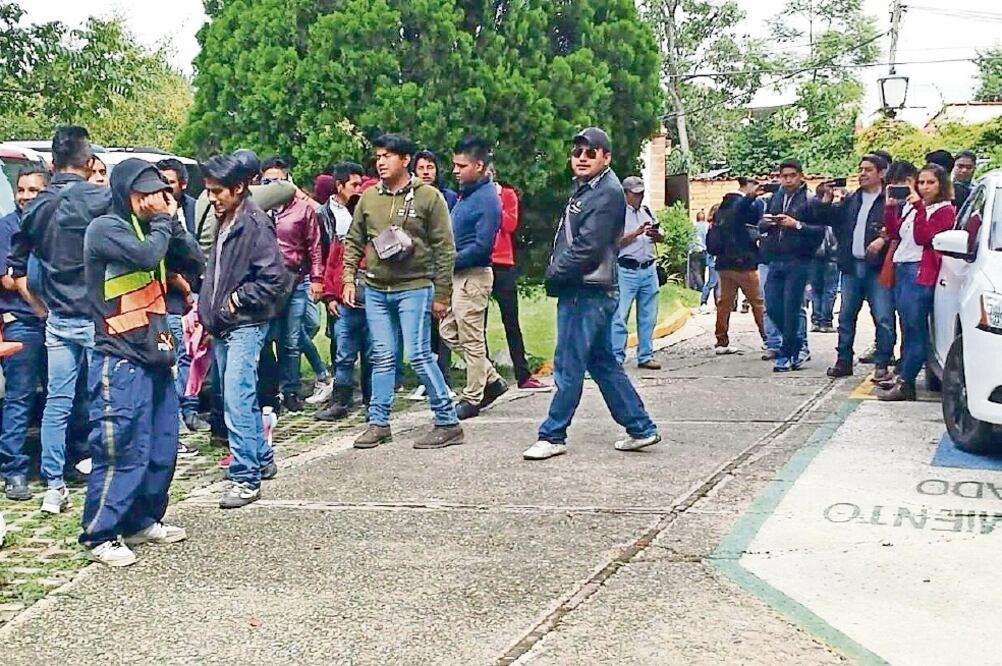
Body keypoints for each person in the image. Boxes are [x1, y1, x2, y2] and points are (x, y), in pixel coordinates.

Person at [79, 158, 202, 566]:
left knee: (161, 445)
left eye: (158, 192)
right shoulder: (105, 229)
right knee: (120, 446)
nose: (151, 200)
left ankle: (142, 519)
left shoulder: (158, 227)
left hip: (156, 351)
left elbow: (194, 261)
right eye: (143, 193)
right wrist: (163, 223)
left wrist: (173, 222)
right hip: (119, 355)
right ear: (124, 192)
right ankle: (100, 533)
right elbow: (146, 257)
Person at [524, 127, 660, 461]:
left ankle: (553, 434)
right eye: (577, 152)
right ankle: (640, 427)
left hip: (586, 289)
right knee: (602, 363)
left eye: (591, 151)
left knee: (568, 363)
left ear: (606, 157)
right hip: (590, 288)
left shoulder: (606, 192)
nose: (582, 158)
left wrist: (555, 273)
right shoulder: (589, 188)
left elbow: (588, 245)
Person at [8, 126, 111, 514]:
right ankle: (103, 475)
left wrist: (38, 306)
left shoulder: (35, 207)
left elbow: (17, 268)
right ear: (88, 162)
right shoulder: (102, 199)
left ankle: (54, 485)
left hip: (57, 319)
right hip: (98, 316)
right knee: (104, 400)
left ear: (52, 164)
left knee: (57, 402)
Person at [342, 133, 463, 449]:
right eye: (378, 156)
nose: (380, 162)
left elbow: (444, 247)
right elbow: (354, 240)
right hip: (377, 288)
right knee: (382, 355)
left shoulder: (428, 197)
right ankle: (378, 422)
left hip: (415, 286)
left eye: (388, 156)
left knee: (420, 354)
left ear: (405, 160)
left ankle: (447, 421)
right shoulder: (369, 198)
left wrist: (442, 294)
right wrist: (347, 278)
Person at [199, 154, 292, 509]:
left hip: (244, 323)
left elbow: (274, 278)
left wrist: (237, 300)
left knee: (237, 400)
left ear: (239, 188)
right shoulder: (227, 218)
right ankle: (260, 459)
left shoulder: (254, 222)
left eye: (217, 191)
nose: (212, 197)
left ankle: (245, 477)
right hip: (224, 324)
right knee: (240, 398)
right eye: (208, 191)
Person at [437, 136, 508, 420]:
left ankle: (473, 396)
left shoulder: (488, 199)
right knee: (448, 331)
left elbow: (481, 247)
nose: (455, 170)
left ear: (479, 166)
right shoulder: (468, 194)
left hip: (473, 276)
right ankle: (490, 379)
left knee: (471, 337)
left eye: (461, 165)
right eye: (454, 164)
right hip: (458, 276)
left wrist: (447, 261)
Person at [877, 163, 956, 401]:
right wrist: (891, 209)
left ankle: (907, 381)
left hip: (919, 271)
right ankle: (903, 375)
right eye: (921, 182)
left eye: (930, 182)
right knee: (907, 326)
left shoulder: (944, 210)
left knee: (916, 329)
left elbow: (924, 237)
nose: (925, 187)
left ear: (941, 184)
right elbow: (895, 233)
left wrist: (919, 207)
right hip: (903, 267)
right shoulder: (914, 208)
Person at [820, 155, 894, 380]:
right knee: (845, 316)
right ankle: (843, 361)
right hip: (852, 266)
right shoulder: (852, 199)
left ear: (881, 173)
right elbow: (831, 220)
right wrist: (826, 199)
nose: (862, 174)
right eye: (860, 169)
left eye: (868, 170)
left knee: (883, 317)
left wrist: (882, 238)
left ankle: (882, 363)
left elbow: (897, 228)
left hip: (877, 268)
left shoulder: (888, 200)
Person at [260, 156, 325, 412]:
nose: (274, 185)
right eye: (268, 181)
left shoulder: (302, 208)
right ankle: (269, 391)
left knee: (292, 340)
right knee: (265, 339)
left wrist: (317, 278)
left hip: (295, 280)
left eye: (278, 180)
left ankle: (291, 391)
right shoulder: (256, 207)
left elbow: (314, 246)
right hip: (265, 284)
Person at [0, 169, 49, 501]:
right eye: (21, 189)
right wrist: (42, 307)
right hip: (23, 321)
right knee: (19, 398)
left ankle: (59, 465)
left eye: (33, 190)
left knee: (61, 398)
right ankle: (14, 471)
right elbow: (7, 279)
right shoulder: (6, 227)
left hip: (55, 322)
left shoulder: (52, 223)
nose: (26, 195)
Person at [155, 158, 207, 442]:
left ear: (183, 184)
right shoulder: (154, 216)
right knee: (175, 357)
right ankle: (176, 419)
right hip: (170, 302)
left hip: (197, 293)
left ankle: (191, 408)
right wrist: (182, 287)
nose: (164, 187)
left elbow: (198, 250)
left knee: (197, 356)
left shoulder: (194, 207)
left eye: (170, 182)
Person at [484, 165, 549, 391]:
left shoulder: (507, 195)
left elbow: (509, 224)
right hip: (480, 262)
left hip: (503, 263)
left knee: (511, 321)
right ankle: (485, 375)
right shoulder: (471, 196)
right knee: (476, 323)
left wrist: (492, 202)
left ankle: (523, 374)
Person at [759, 159, 825, 372]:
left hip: (798, 260)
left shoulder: (809, 200)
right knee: (772, 305)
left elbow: (819, 231)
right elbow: (760, 225)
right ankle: (796, 344)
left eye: (791, 176)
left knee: (791, 308)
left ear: (800, 176)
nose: (787, 180)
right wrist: (767, 223)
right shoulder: (775, 198)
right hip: (775, 258)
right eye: (784, 176)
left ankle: (787, 353)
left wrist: (795, 225)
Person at [705, 182, 766, 355]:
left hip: (724, 264)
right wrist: (752, 197)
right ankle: (769, 339)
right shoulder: (740, 207)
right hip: (744, 263)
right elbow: (742, 212)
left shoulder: (720, 210)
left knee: (724, 303)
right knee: (757, 302)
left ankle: (721, 340)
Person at [612, 175, 663, 369]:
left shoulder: (647, 211)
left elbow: (661, 237)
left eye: (641, 193)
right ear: (625, 194)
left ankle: (646, 355)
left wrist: (656, 234)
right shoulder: (618, 215)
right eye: (635, 194)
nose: (639, 197)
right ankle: (616, 356)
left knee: (648, 315)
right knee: (620, 315)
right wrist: (637, 233)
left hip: (648, 268)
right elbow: (614, 243)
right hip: (626, 269)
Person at [809, 225, 839, 333]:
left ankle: (816, 321)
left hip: (815, 257)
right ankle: (825, 322)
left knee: (816, 290)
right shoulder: (835, 218)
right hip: (832, 258)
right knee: (829, 291)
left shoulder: (816, 217)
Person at [697, 204, 721, 315]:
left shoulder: (713, 226)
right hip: (714, 258)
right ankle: (703, 302)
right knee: (712, 282)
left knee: (717, 283)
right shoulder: (712, 227)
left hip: (713, 257)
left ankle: (718, 303)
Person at [687, 210, 708, 291]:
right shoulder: (707, 226)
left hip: (695, 250)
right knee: (702, 270)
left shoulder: (693, 226)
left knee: (696, 271)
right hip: (704, 251)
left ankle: (701, 288)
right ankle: (701, 286)